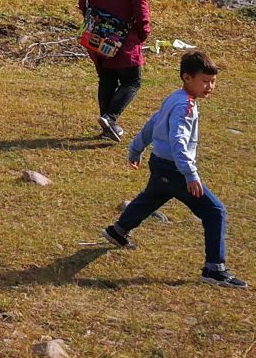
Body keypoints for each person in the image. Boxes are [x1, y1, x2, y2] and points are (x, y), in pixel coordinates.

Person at [102, 49, 247, 288]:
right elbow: (178, 141)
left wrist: (136, 149)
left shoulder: (174, 97)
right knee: (215, 212)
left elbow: (153, 122)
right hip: (175, 170)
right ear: (187, 78)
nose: (209, 87)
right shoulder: (185, 106)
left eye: (213, 82)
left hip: (159, 163)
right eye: (205, 81)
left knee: (151, 198)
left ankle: (118, 231)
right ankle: (215, 269)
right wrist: (190, 174)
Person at [78, 0, 150, 139]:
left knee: (107, 80)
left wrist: (98, 26)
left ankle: (107, 126)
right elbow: (141, 11)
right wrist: (142, 34)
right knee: (132, 81)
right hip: (124, 41)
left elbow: (83, 5)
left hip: (96, 39)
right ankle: (110, 118)